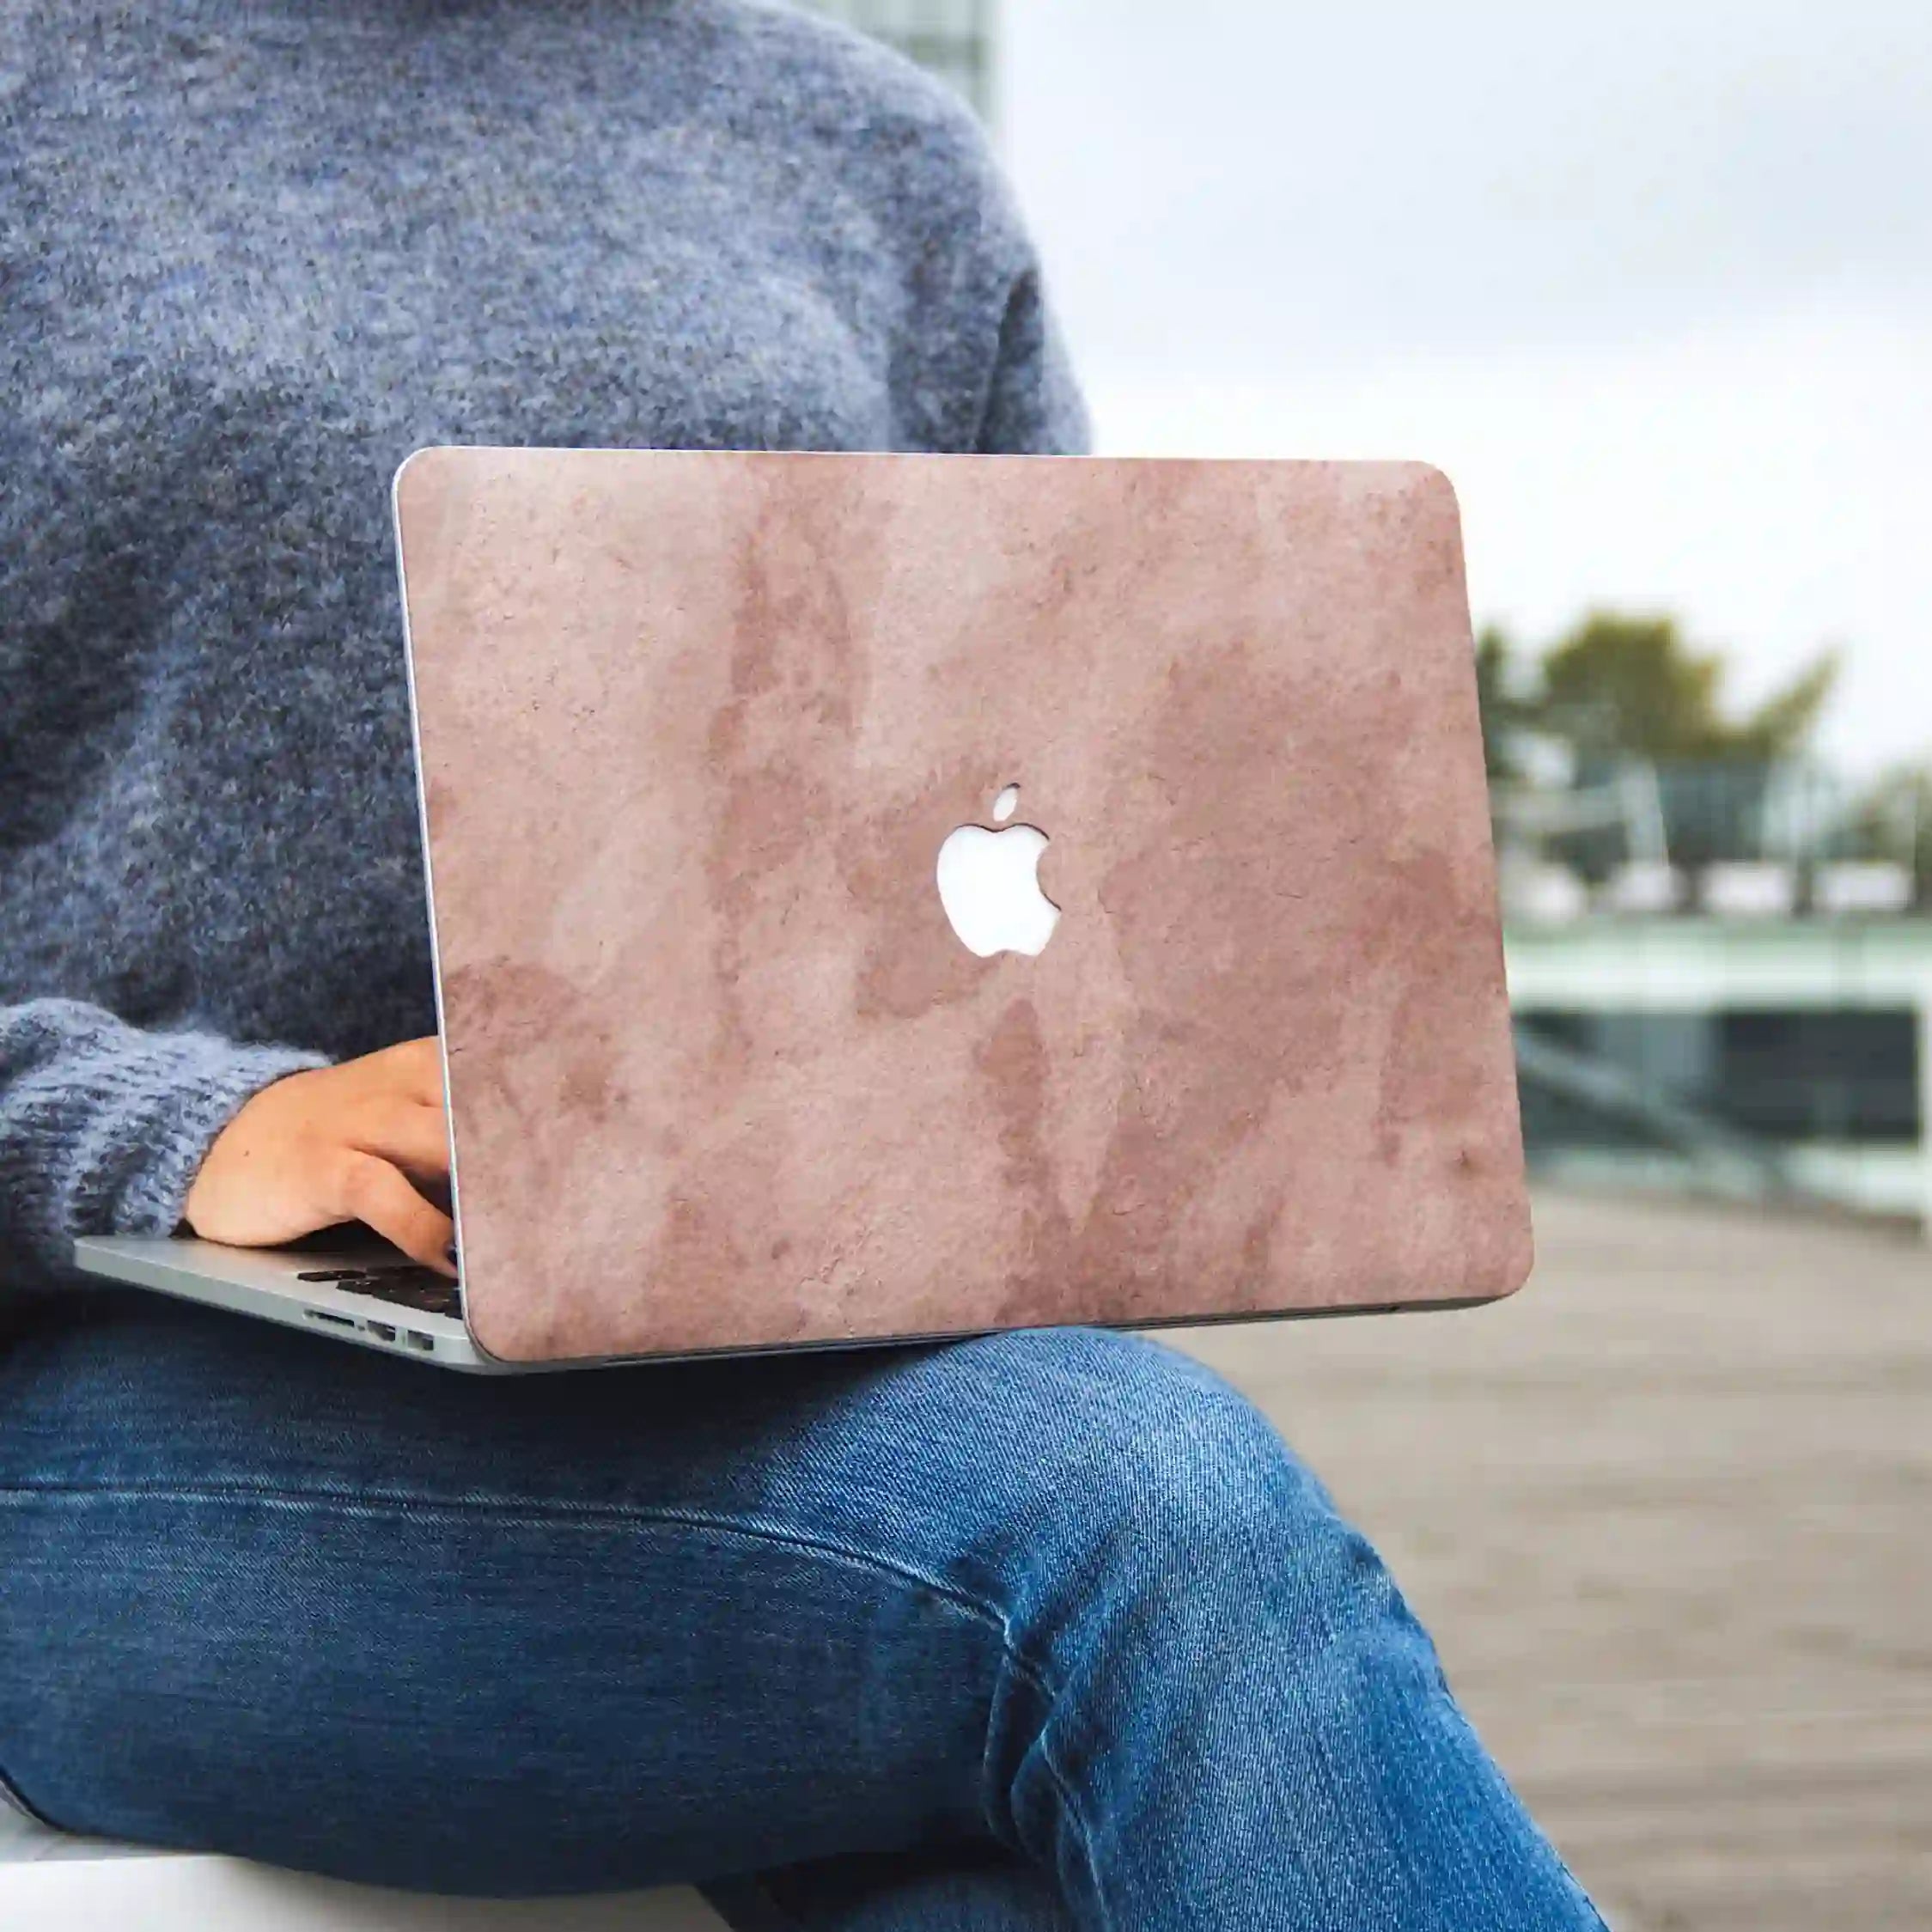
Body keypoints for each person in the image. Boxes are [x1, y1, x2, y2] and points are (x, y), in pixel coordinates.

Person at [0, 3, 1607, 1926]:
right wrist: (173, 1128)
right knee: (1129, 1518)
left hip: (815, 1389)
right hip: (123, 1414)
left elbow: (1066, 825)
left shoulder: (881, 155)